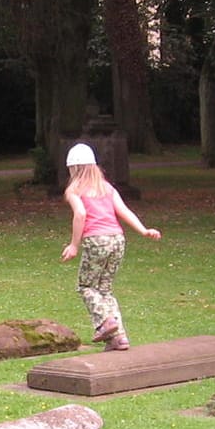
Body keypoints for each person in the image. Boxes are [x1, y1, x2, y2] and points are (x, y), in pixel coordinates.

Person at [59, 142, 161, 351]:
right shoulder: (107, 187)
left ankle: (106, 322)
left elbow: (80, 214)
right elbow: (124, 211)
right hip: (117, 239)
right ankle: (119, 338)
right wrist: (143, 230)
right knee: (105, 289)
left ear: (73, 168)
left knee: (86, 286)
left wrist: (74, 245)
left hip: (97, 240)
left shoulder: (74, 190)